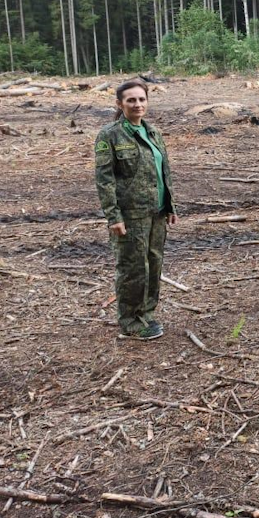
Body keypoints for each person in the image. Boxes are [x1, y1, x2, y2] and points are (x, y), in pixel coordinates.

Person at [95, 78, 177, 340]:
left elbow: (163, 171)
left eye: (141, 99)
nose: (137, 104)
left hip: (156, 212)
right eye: (131, 100)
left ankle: (147, 313)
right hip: (130, 215)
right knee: (132, 268)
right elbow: (104, 180)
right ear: (120, 104)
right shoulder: (110, 135)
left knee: (154, 264)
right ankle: (131, 320)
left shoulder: (153, 132)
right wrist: (113, 216)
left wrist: (170, 205)